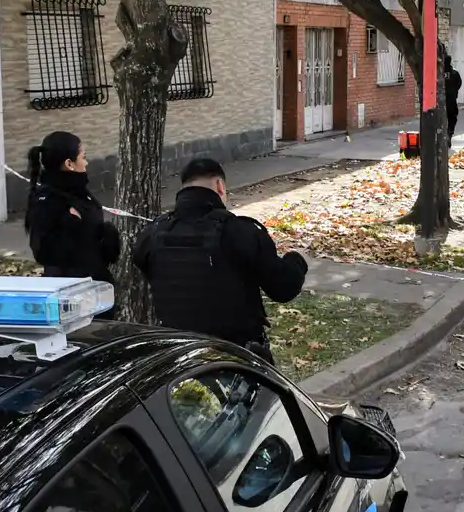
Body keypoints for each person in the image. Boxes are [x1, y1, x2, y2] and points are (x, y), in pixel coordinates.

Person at [133, 157, 308, 364]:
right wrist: (296, 261)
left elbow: (148, 268)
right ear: (220, 186)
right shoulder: (241, 232)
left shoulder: (152, 234)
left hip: (178, 360)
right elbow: (283, 288)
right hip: (236, 360)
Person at [23, 131, 122, 295]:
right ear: (69, 163)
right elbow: (43, 251)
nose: (87, 163)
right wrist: (71, 227)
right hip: (70, 291)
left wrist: (106, 240)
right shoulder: (48, 200)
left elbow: (89, 234)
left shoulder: (78, 191)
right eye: (83, 157)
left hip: (95, 284)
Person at [442, 46, 463, 136]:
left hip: (441, 100)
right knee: (452, 117)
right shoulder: (454, 73)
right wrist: (454, 91)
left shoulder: (439, 73)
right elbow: (459, 83)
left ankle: (444, 134)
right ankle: (450, 133)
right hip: (451, 100)